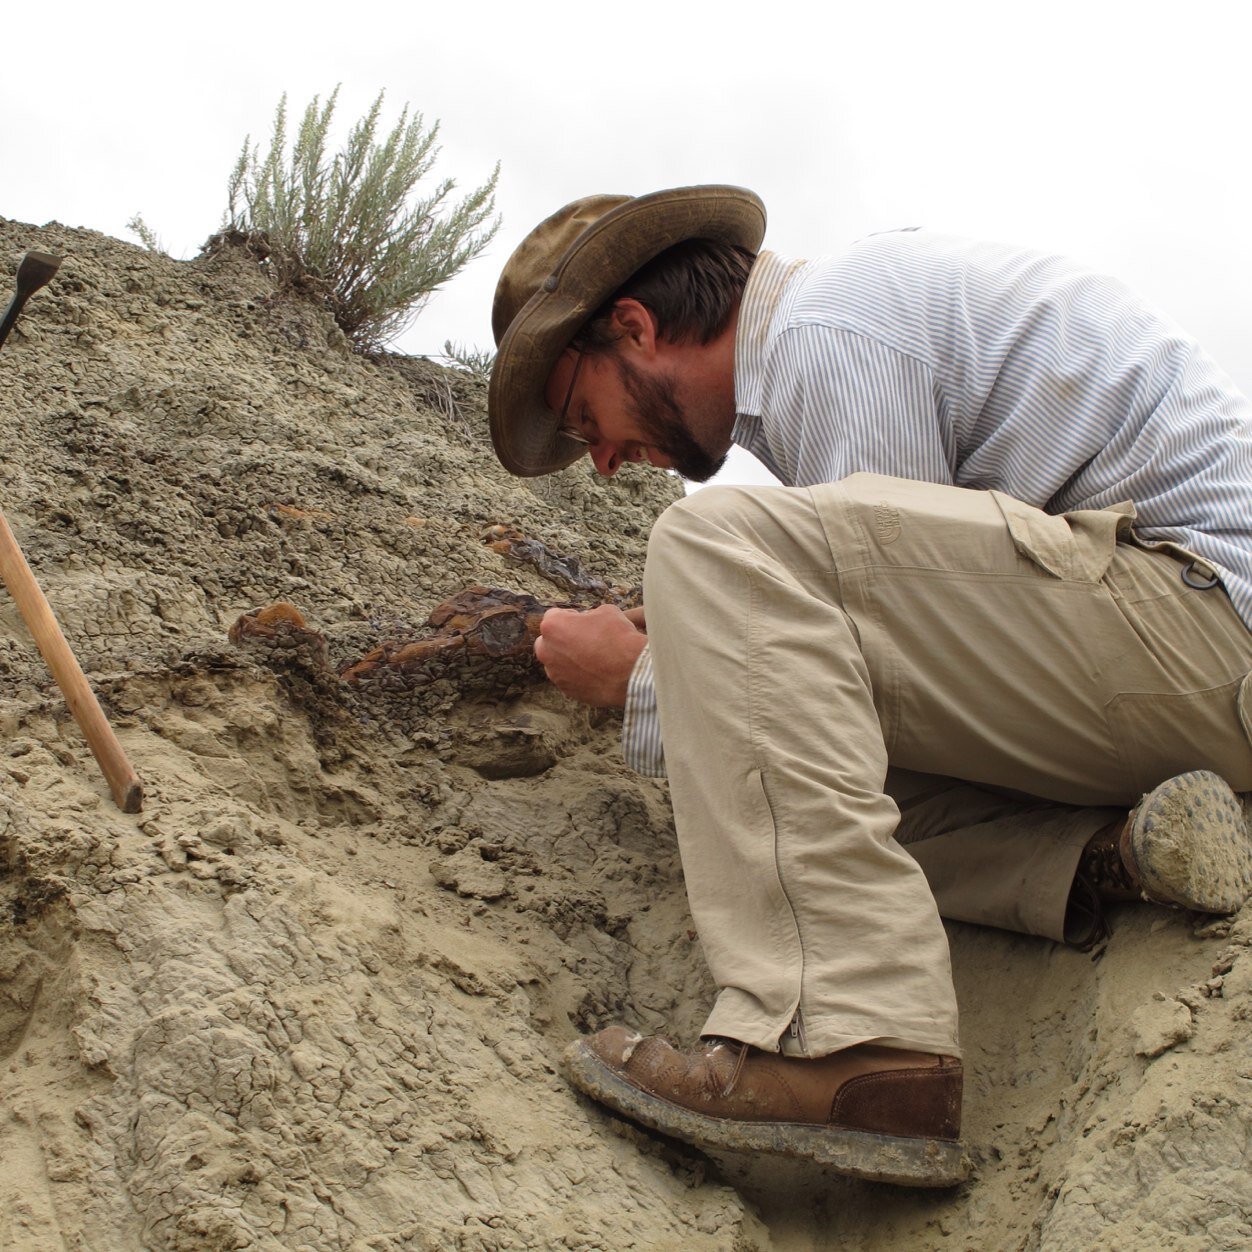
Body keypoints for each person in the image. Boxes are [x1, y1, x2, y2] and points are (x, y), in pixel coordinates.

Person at [486, 186, 1252, 1185]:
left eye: (588, 420)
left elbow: (822, 683)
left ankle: (844, 1044)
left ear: (633, 326)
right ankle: (1106, 857)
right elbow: (848, 711)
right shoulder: (826, 342)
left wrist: (642, 679)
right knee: (825, 775)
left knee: (708, 547)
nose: (603, 463)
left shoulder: (824, 331)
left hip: (1201, 620)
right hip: (1167, 661)